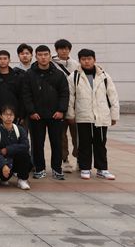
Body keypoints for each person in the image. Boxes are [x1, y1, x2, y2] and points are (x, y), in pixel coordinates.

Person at [66, 49, 120, 180]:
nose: (86, 61)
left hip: (101, 116)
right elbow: (70, 97)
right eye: (83, 59)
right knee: (84, 143)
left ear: (94, 59)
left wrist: (114, 115)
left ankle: (102, 169)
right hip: (83, 115)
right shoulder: (74, 76)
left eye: (89, 59)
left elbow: (113, 96)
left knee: (100, 143)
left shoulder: (104, 76)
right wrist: (70, 115)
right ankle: (85, 168)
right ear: (79, 61)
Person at [22, 45, 69, 180]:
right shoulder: (29, 74)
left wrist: (61, 110)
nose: (43, 57)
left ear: (50, 56)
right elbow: (26, 94)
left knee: (57, 143)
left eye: (46, 55)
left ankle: (57, 169)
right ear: (36, 57)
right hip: (36, 116)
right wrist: (31, 111)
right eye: (40, 55)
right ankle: (39, 169)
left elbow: (64, 93)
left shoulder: (59, 74)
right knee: (37, 144)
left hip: (55, 115)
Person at [0, 105, 32, 190]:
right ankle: (2, 176)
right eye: (6, 114)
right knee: (5, 178)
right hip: (3, 161)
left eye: (11, 115)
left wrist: (8, 149)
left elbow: (26, 145)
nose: (8, 117)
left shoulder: (20, 129)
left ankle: (22, 180)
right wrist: (3, 165)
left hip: (15, 160)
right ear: (1, 116)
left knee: (25, 155)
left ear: (14, 116)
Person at [53, 38, 80, 175]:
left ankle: (80, 158)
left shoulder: (76, 65)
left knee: (77, 134)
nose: (64, 51)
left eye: (66, 49)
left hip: (75, 105)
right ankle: (65, 160)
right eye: (61, 48)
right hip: (58, 105)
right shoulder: (52, 64)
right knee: (61, 135)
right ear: (56, 50)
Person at [0, 50, 25, 124]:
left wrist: (21, 115)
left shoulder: (17, 77)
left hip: (14, 114)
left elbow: (21, 97)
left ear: (9, 60)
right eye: (0, 59)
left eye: (5, 58)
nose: (2, 61)